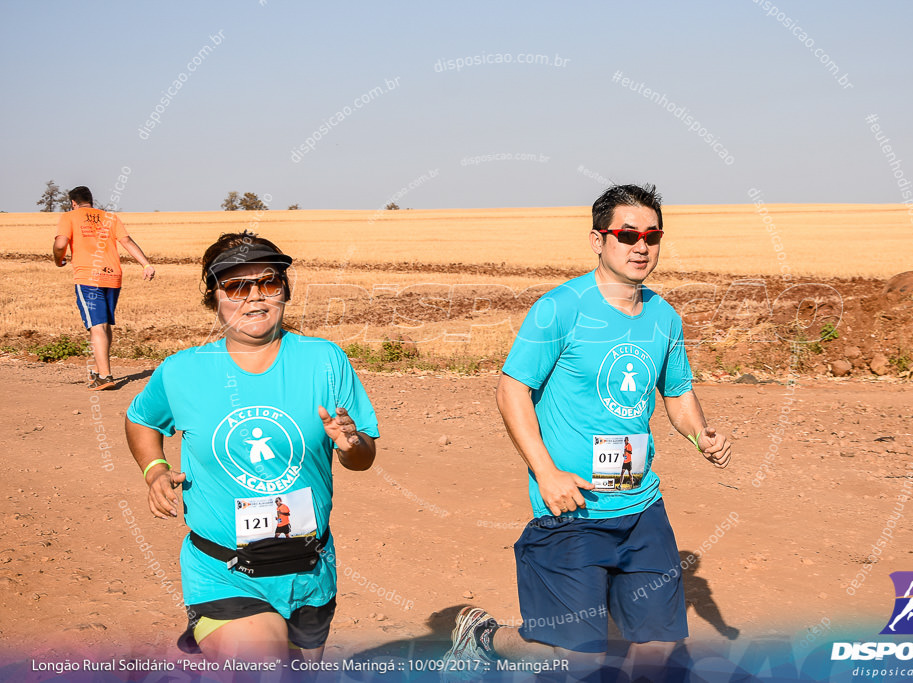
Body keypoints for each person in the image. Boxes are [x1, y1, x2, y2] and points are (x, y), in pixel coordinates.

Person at [443, 184, 733, 679]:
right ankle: (485, 638)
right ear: (599, 240)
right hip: (571, 507)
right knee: (578, 658)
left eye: (651, 235)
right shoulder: (561, 308)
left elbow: (677, 393)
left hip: (640, 505)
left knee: (657, 653)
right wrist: (545, 472)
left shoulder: (664, 317)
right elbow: (511, 390)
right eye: (627, 235)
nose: (641, 246)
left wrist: (699, 434)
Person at [124, 231, 379, 663]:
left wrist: (352, 444)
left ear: (285, 290)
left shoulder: (325, 360)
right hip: (224, 573)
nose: (254, 297)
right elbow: (141, 419)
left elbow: (363, 458)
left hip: (310, 571)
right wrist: (154, 469)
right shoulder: (183, 371)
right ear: (213, 296)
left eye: (268, 282)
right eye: (237, 286)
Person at [52, 186, 156, 390]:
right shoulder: (110, 217)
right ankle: (101, 371)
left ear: (73, 202)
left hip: (88, 276)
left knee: (96, 325)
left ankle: (105, 376)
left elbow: (60, 243)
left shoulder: (70, 216)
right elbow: (127, 241)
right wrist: (146, 264)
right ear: (91, 200)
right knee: (105, 324)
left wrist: (58, 260)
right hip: (113, 276)